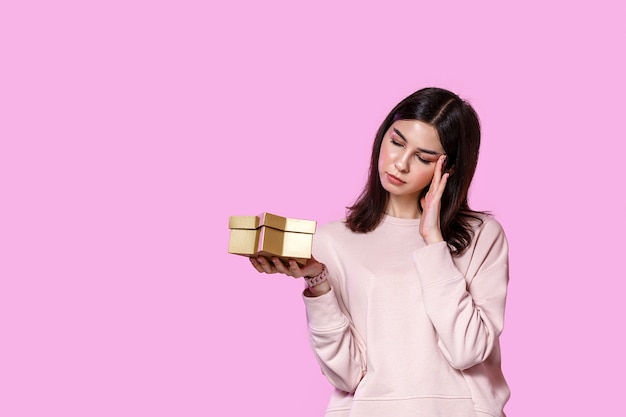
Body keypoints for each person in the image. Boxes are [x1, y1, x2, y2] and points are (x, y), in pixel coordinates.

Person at [250, 87, 510, 417]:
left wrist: (433, 241)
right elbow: (346, 374)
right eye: (397, 142)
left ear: (449, 169)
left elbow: (466, 350)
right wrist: (318, 283)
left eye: (423, 157)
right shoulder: (333, 240)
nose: (399, 163)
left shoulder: (481, 236)